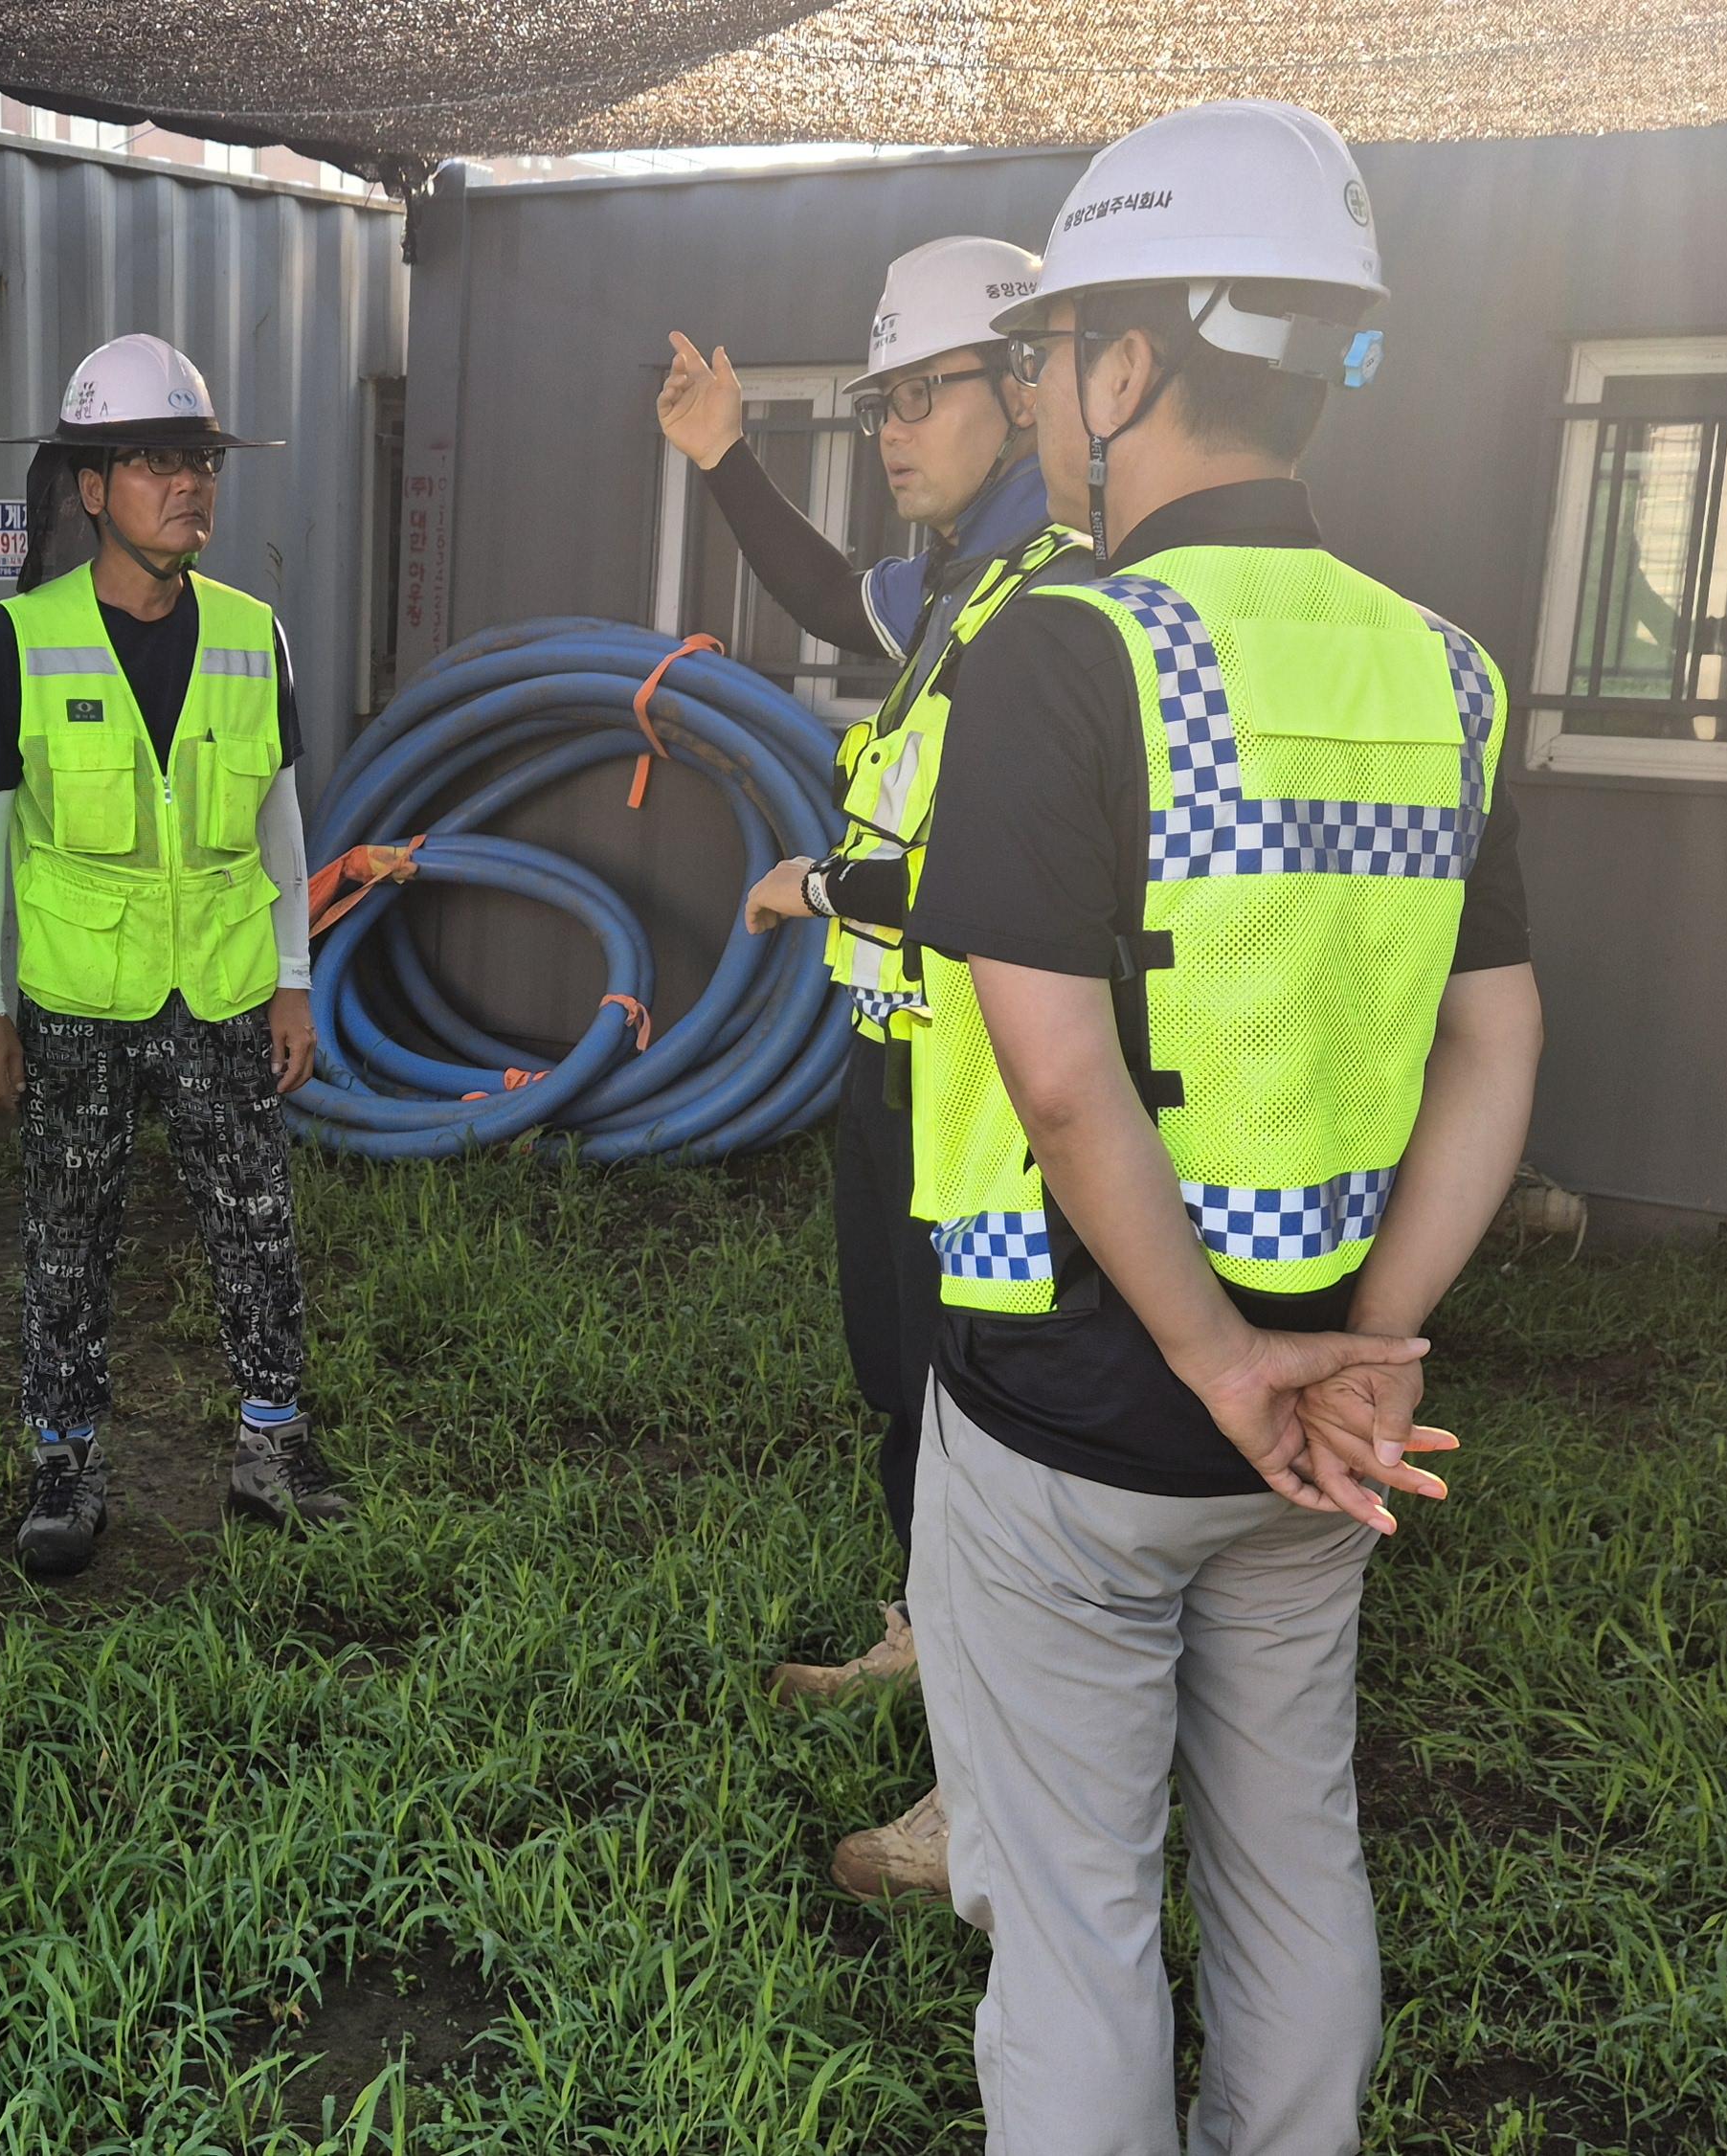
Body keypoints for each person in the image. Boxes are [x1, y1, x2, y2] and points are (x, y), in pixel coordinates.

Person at [903, 102, 1545, 2151]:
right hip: (1319, 1423)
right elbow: (1496, 1039)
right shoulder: (1444, 675)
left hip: (1077, 1409)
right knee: (1289, 1858)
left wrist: (1212, 1354)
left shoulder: (1059, 652)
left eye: (1044, 357)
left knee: (1075, 1915)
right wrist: (1365, 1342)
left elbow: (1056, 1069)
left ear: (1124, 365)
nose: (1038, 403)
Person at [658, 236, 1079, 1907]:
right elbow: (839, 598)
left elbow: (1005, 865)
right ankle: (923, 1636)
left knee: (992, 1428)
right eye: (880, 401)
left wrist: (818, 884)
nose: (893, 430)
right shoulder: (963, 585)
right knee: (900, 1383)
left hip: (1003, 1088)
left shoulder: (1062, 597)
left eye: (923, 396)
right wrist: (725, 462)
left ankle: (986, 1796)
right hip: (903, 1058)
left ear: (1029, 388)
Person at [0, 332, 338, 1579]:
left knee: (257, 1225)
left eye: (202, 462)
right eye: (160, 462)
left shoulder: (254, 634)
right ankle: (63, 1463)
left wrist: (294, 978)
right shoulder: (19, 639)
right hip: (80, 999)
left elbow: (280, 823)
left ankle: (273, 1444)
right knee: (69, 1239)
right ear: (92, 486)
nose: (190, 485)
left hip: (223, 987)